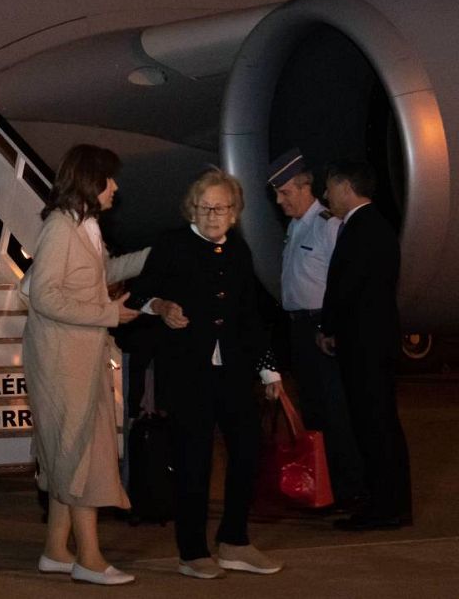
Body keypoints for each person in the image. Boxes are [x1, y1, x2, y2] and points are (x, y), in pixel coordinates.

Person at [131, 170, 283, 579]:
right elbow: (139, 293)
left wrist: (268, 369)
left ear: (234, 213)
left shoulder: (238, 251)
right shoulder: (172, 244)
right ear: (192, 209)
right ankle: (193, 550)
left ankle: (235, 540)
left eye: (222, 208)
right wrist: (161, 306)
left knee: (247, 452)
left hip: (233, 370)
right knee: (193, 461)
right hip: (187, 371)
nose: (214, 215)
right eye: (206, 207)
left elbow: (250, 314)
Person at [21, 144, 146, 586]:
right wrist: (109, 314)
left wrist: (160, 253)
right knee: (79, 455)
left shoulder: (85, 226)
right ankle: (89, 559)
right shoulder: (60, 228)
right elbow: (44, 296)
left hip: (79, 356)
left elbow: (103, 272)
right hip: (61, 360)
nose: (115, 188)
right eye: (109, 179)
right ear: (90, 181)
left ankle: (56, 550)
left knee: (68, 452)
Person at [318, 161, 413, 530]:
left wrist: (328, 326)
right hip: (373, 344)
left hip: (365, 347)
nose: (326, 195)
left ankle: (384, 507)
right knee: (381, 424)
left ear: (346, 186)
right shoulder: (376, 226)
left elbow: (347, 287)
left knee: (374, 426)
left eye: (330, 187)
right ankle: (392, 503)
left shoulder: (362, 229)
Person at [268, 149, 365, 509]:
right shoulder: (295, 227)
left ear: (305, 186)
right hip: (299, 328)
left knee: (335, 409)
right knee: (314, 410)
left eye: (285, 193)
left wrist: (331, 327)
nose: (280, 201)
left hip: (321, 327)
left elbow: (344, 282)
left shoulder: (328, 225)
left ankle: (350, 489)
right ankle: (324, 488)